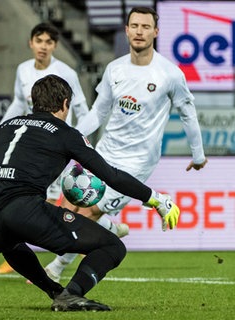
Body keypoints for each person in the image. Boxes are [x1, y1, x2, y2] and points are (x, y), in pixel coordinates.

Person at [0, 74, 181, 311]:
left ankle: (55, 292)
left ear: (34, 103)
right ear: (65, 104)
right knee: (112, 247)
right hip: (24, 213)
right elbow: (111, 175)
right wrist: (154, 199)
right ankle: (73, 294)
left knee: (10, 243)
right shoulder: (66, 134)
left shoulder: (8, 126)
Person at [43, 6, 208, 283]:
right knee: (70, 205)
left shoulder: (169, 74)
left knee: (89, 211)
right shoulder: (114, 69)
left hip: (138, 162)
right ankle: (111, 226)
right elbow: (98, 113)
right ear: (126, 30)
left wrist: (198, 154)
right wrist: (66, 137)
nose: (139, 31)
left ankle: (56, 268)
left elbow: (187, 113)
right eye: (134, 26)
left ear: (155, 32)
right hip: (104, 152)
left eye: (145, 26)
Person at [0, 22, 128, 275]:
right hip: (29, 147)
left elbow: (81, 109)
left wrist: (76, 142)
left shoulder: (66, 72)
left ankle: (24, 255)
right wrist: (0, 132)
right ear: (31, 43)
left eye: (48, 42)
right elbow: (17, 104)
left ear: (55, 45)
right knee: (35, 202)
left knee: (47, 204)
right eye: (39, 41)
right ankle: (107, 226)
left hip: (56, 149)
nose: (43, 46)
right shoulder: (23, 70)